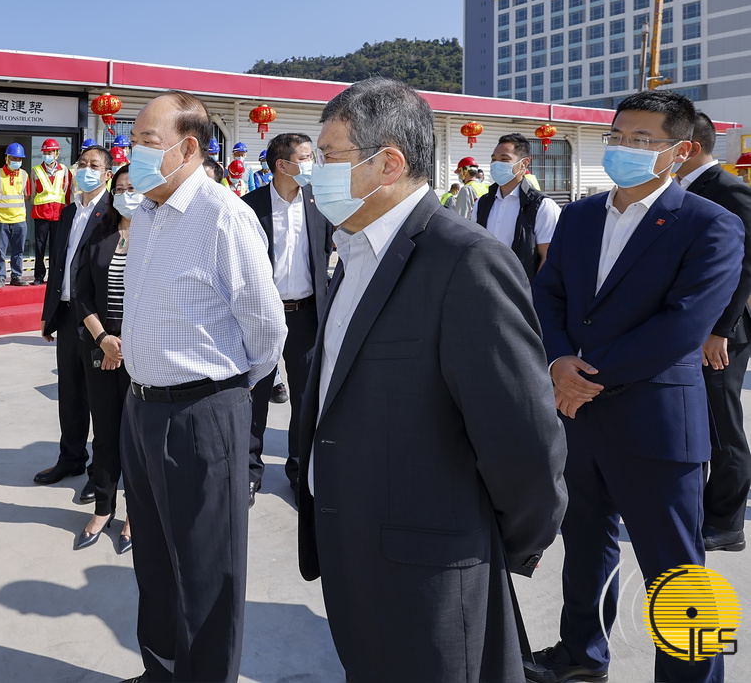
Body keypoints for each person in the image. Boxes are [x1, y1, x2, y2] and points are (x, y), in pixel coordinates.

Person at [296, 77, 567, 683]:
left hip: (432, 568)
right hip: (352, 545)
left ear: (388, 163)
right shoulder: (353, 251)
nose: (316, 174)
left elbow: (524, 439)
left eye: (330, 157)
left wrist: (493, 543)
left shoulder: (464, 258)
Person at [528, 90, 741, 683]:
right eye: (618, 137)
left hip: (654, 423)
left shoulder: (710, 224)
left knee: (676, 571)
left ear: (681, 151)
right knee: (585, 546)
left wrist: (582, 377)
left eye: (642, 140)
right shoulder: (578, 217)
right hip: (577, 418)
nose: (624, 148)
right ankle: (581, 656)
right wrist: (558, 362)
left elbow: (682, 327)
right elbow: (548, 294)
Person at [120, 91, 286, 683]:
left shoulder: (223, 216)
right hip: (140, 408)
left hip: (201, 412)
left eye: (146, 142)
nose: (132, 153)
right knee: (154, 560)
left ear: (188, 148)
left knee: (206, 571)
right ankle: (161, 670)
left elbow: (266, 328)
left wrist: (225, 398)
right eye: (131, 141)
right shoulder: (145, 213)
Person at [242, 132, 332, 507]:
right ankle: (249, 473)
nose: (313, 164)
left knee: (305, 399)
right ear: (282, 165)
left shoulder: (320, 202)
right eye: (306, 158)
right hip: (262, 316)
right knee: (255, 398)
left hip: (307, 315)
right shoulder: (249, 207)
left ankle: (299, 472)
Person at [676, 112, 751, 554]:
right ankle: (700, 510)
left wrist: (720, 330)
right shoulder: (679, 189)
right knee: (698, 423)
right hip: (690, 328)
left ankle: (726, 523)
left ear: (690, 146)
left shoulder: (728, 189)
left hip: (720, 333)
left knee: (723, 428)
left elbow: (746, 264)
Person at [34, 144, 112, 503]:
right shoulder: (68, 212)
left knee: (101, 400)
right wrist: (49, 314)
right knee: (70, 394)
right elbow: (58, 267)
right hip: (66, 315)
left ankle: (102, 472)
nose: (86, 170)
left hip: (97, 319)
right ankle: (71, 458)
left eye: (94, 165)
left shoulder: (113, 213)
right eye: (82, 163)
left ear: (107, 175)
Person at [72, 164, 136, 554]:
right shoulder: (100, 237)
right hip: (101, 347)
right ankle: (103, 507)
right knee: (106, 433)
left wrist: (124, 345)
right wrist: (104, 340)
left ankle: (135, 514)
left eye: (135, 188)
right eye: (121, 189)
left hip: (143, 353)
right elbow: (82, 295)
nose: (128, 195)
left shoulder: (159, 237)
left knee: (138, 438)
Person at [473, 133, 561, 281]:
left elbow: (549, 257)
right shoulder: (482, 204)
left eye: (504, 159)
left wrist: (533, 291)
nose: (496, 164)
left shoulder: (542, 206)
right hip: (485, 286)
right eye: (493, 159)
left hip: (522, 290)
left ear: (524, 163)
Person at [31, 138, 69, 286]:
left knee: (56, 248)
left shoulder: (64, 170)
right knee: (39, 247)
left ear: (57, 153)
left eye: (50, 152)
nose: (47, 155)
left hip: (58, 214)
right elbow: (33, 194)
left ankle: (54, 276)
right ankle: (39, 276)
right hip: (41, 213)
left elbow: (65, 190)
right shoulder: (35, 170)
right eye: (45, 153)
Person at [0, 143, 31, 288]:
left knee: (18, 251)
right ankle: (0, 277)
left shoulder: (24, 175)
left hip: (19, 219)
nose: (17, 161)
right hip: (1, 219)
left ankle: (16, 276)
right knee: (0, 251)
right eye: (14, 158)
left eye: (19, 159)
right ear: (7, 158)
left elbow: (27, 195)